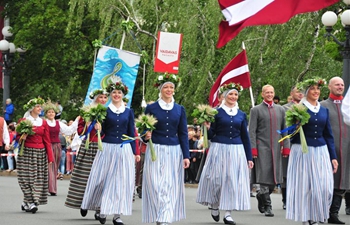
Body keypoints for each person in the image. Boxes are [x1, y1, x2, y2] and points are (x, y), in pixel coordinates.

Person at [81, 82, 140, 225]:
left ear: (123, 95)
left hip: (124, 149)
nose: (117, 95)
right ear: (110, 95)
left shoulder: (128, 112)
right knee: (102, 179)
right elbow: (98, 132)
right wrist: (97, 127)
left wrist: (135, 152)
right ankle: (101, 209)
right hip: (107, 147)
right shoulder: (104, 111)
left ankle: (117, 215)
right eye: (114, 93)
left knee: (122, 182)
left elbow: (131, 133)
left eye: (119, 93)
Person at [196, 82, 254, 225]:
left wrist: (249, 157)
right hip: (218, 148)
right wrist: (207, 128)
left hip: (236, 150)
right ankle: (215, 205)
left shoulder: (241, 114)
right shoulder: (216, 112)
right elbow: (210, 135)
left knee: (232, 181)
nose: (233, 97)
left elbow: (245, 137)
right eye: (231, 94)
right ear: (224, 96)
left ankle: (228, 213)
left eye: (235, 94)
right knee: (216, 179)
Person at [286, 78, 338, 225]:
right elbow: (290, 135)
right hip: (303, 151)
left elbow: (329, 135)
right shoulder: (297, 109)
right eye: (313, 89)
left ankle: (317, 213)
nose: (316, 91)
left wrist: (333, 157)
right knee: (305, 186)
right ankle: (307, 217)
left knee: (325, 187)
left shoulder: (324, 110)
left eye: (318, 89)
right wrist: (295, 126)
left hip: (321, 151)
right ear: (306, 91)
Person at [142, 74, 190, 225]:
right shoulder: (151, 108)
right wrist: (146, 135)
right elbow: (144, 129)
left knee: (170, 184)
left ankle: (165, 217)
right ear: (161, 89)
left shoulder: (179, 109)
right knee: (155, 184)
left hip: (174, 151)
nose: (169, 90)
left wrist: (186, 155)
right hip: (156, 149)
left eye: (171, 87)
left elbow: (183, 133)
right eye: (166, 87)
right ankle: (159, 211)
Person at [64, 89, 108, 219]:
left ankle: (99, 208)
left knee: (101, 179)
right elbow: (80, 132)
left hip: (103, 147)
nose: (104, 99)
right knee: (85, 177)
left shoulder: (108, 112)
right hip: (88, 147)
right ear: (96, 99)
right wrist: (87, 125)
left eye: (105, 97)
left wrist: (102, 129)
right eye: (101, 97)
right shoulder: (86, 113)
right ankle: (83, 203)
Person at [249, 84, 290, 217]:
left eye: (271, 92)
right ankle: (268, 206)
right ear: (262, 94)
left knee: (274, 179)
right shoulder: (256, 110)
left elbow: (285, 130)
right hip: (262, 147)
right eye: (267, 92)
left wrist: (286, 147)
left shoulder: (281, 110)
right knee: (264, 177)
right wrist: (253, 148)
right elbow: (252, 131)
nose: (269, 94)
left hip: (277, 148)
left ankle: (261, 194)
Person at [16, 97, 54, 213]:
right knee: (26, 178)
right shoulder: (23, 121)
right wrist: (22, 137)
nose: (40, 108)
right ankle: (30, 201)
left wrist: (50, 157)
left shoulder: (43, 122)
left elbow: (47, 140)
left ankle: (30, 202)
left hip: (40, 153)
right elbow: (17, 137)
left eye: (40, 106)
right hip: (26, 152)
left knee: (37, 178)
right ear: (32, 108)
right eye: (38, 106)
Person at [320, 77, 350, 224]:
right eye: (337, 84)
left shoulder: (348, 105)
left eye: (342, 85)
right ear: (330, 87)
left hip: (346, 149)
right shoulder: (322, 106)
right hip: (328, 150)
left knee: (342, 181)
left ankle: (333, 213)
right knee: (327, 182)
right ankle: (321, 211)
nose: (340, 87)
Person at [44, 101, 79, 196]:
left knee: (55, 167)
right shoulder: (43, 123)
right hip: (47, 146)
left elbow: (69, 131)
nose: (51, 114)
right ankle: (50, 188)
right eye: (49, 112)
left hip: (57, 146)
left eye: (53, 112)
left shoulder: (58, 123)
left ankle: (52, 187)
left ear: (55, 114)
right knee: (48, 166)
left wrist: (77, 120)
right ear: (46, 114)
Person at [281, 86, 304, 210]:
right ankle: (286, 199)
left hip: (304, 144)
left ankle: (299, 198)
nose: (300, 94)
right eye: (297, 91)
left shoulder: (307, 108)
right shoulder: (284, 108)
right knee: (287, 173)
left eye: (302, 92)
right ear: (291, 93)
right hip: (289, 142)